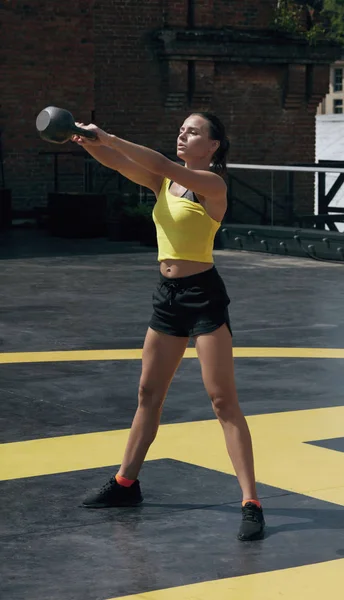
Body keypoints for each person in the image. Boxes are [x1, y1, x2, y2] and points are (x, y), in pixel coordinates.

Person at [72, 112, 265, 542]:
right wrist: (89, 142)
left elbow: (158, 163)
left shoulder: (213, 185)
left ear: (213, 145)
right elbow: (122, 164)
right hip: (168, 297)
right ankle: (126, 483)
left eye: (193, 131)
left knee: (222, 402)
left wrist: (109, 134)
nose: (183, 134)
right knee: (148, 394)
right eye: (180, 128)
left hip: (203, 297)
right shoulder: (165, 184)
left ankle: (251, 501)